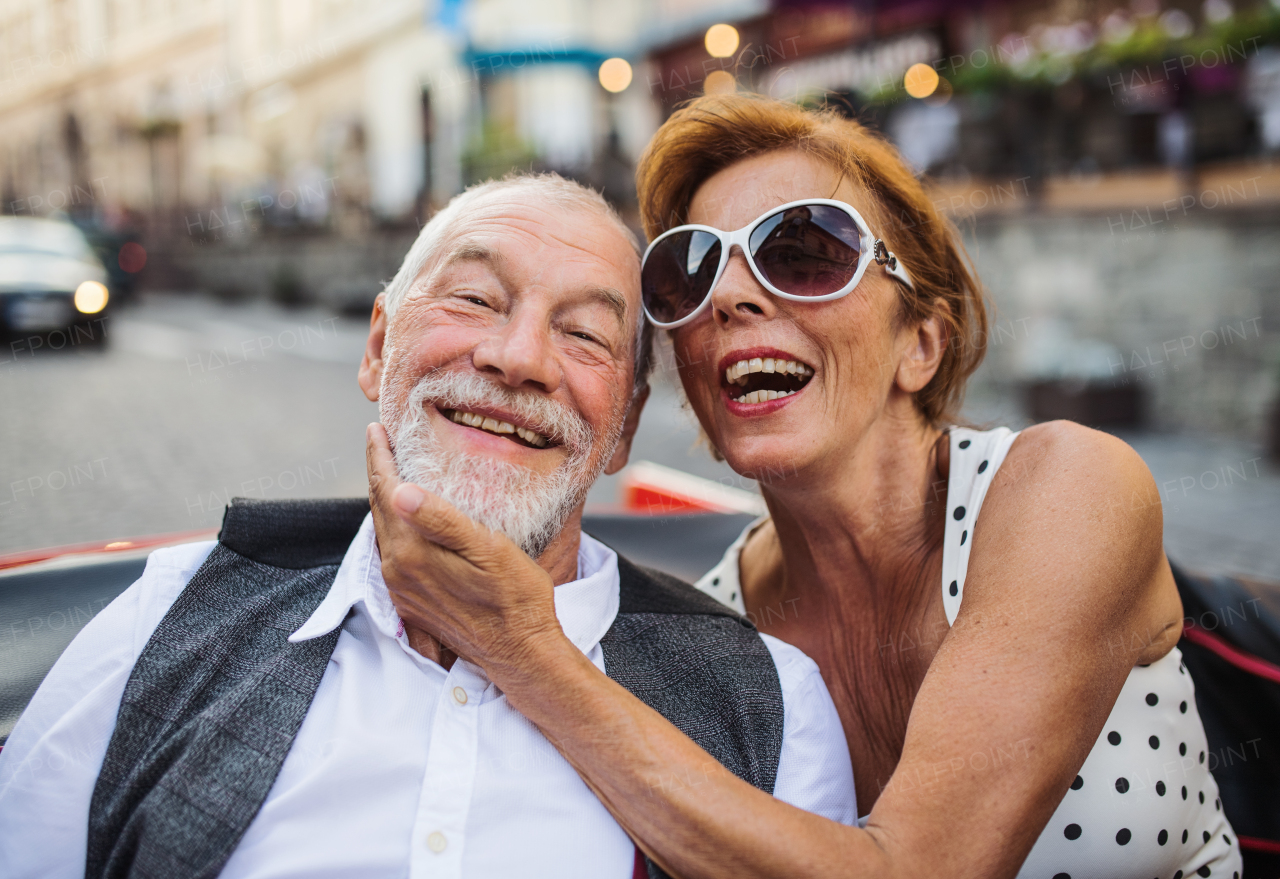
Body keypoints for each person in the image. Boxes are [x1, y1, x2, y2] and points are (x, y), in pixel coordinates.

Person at [367, 97, 1243, 879]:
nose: (733, 297)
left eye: (805, 252)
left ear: (921, 344)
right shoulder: (710, 632)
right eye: (691, 272)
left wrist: (523, 647)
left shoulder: (1064, 486)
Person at [0, 173, 857, 879]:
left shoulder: (771, 706)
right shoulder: (166, 618)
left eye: (585, 335)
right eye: (477, 299)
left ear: (625, 429)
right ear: (378, 348)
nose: (518, 357)